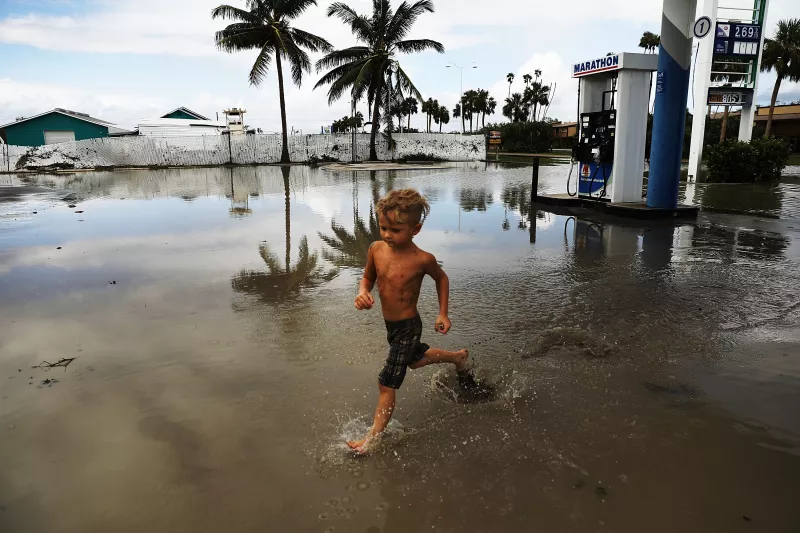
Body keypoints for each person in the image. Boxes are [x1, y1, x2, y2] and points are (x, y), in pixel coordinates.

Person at [348, 189, 469, 454]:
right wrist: (362, 292)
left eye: (396, 229)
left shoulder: (422, 259)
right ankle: (457, 357)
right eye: (383, 227)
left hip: (408, 326)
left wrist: (443, 313)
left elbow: (442, 279)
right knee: (414, 360)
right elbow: (367, 277)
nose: (387, 234)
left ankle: (371, 438)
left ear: (416, 229)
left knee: (386, 382)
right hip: (391, 326)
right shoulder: (376, 249)